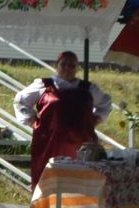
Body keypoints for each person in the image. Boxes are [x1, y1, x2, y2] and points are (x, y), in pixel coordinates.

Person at [13, 50, 112, 185]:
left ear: (77, 68)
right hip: (49, 142)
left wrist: (95, 120)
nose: (67, 68)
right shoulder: (44, 85)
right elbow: (20, 100)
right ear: (57, 65)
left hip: (80, 144)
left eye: (71, 65)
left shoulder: (88, 89)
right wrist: (31, 120)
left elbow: (105, 103)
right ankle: (45, 205)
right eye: (63, 64)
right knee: (49, 178)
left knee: (78, 179)